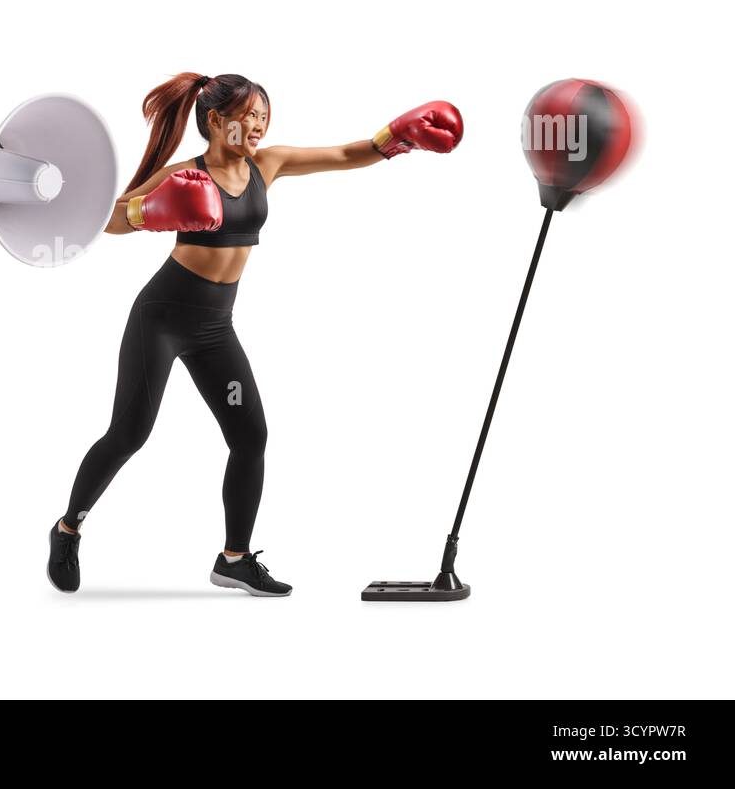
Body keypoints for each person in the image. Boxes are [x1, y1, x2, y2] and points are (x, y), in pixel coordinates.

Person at [47, 72, 462, 596]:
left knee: (250, 437)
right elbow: (106, 221)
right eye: (248, 116)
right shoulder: (184, 174)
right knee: (129, 434)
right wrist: (144, 210)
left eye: (264, 116)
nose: (259, 126)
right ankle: (67, 529)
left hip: (215, 327)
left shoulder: (269, 164)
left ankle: (234, 559)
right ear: (216, 121)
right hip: (161, 318)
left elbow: (342, 154)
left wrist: (395, 139)